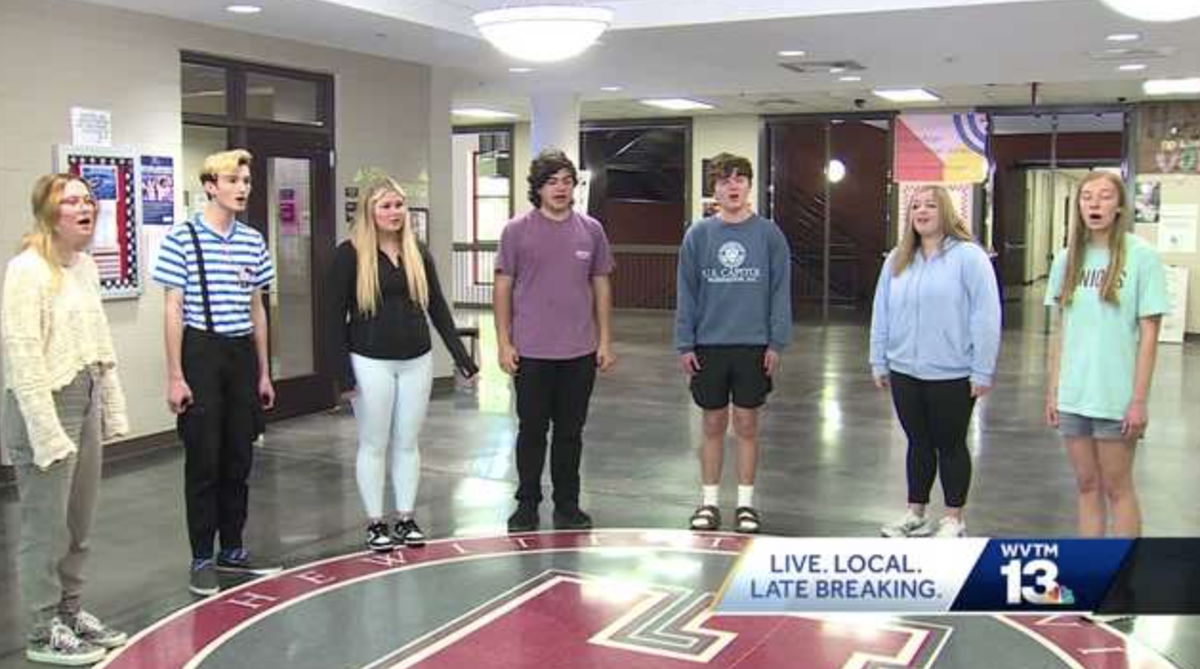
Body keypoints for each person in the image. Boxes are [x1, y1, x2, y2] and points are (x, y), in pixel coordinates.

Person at [2, 173, 130, 665]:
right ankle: (41, 628)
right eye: (72, 201)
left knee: (79, 524)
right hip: (44, 405)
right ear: (48, 213)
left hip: (86, 397)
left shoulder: (86, 268)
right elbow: (23, 355)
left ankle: (71, 611)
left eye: (88, 200)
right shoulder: (26, 270)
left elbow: (99, 343)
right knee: (45, 526)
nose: (85, 208)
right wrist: (46, 431)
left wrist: (111, 407)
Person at [152, 149, 279, 597]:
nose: (242, 187)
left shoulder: (252, 240)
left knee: (238, 457)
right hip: (201, 349)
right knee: (204, 458)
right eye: (232, 179)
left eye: (246, 179)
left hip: (240, 352)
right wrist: (175, 374)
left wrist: (264, 371)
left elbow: (257, 307)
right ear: (210, 185)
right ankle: (202, 555)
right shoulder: (182, 238)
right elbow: (172, 309)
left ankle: (234, 550)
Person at [329, 172, 478, 552]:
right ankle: (376, 523)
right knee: (374, 442)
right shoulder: (349, 255)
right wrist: (341, 373)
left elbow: (438, 308)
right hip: (369, 360)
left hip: (417, 359)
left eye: (399, 205)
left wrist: (462, 358)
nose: (394, 212)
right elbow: (332, 318)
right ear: (370, 211)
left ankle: (406, 517)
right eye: (386, 206)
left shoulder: (418, 252)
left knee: (408, 442)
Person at [494, 148, 615, 533]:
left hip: (579, 351)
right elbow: (503, 287)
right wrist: (503, 341)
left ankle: (568, 503)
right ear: (538, 188)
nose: (561, 188)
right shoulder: (516, 231)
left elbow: (600, 284)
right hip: (530, 351)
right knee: (531, 431)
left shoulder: (591, 230)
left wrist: (606, 340)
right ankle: (527, 503)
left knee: (570, 433)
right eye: (552, 182)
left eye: (567, 181)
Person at [870, 185, 1000, 539]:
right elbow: (881, 311)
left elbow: (986, 316)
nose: (922, 212)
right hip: (905, 370)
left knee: (950, 444)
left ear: (945, 212)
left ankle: (953, 518)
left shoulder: (969, 258)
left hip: (953, 372)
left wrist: (982, 368)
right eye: (916, 206)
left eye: (930, 205)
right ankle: (915, 513)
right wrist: (878, 359)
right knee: (918, 442)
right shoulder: (897, 259)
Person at [1045, 171, 1167, 537]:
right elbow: (1061, 331)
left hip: (1116, 397)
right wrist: (1054, 391)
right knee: (1086, 486)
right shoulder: (1066, 259)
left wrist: (1139, 400)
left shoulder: (1142, 257)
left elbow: (1149, 334)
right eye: (1087, 197)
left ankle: (1123, 574)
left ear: (1119, 207)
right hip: (1074, 395)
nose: (1094, 204)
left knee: (1117, 488)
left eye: (1104, 197)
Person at [675, 152, 791, 534]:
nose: (733, 185)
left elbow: (779, 292)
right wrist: (685, 343)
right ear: (715, 188)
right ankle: (709, 503)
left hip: (753, 345)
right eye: (725, 180)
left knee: (746, 423)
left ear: (750, 185)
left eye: (740, 178)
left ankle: (745, 504)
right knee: (711, 423)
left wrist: (776, 342)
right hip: (709, 344)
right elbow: (687, 293)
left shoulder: (769, 234)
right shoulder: (698, 234)